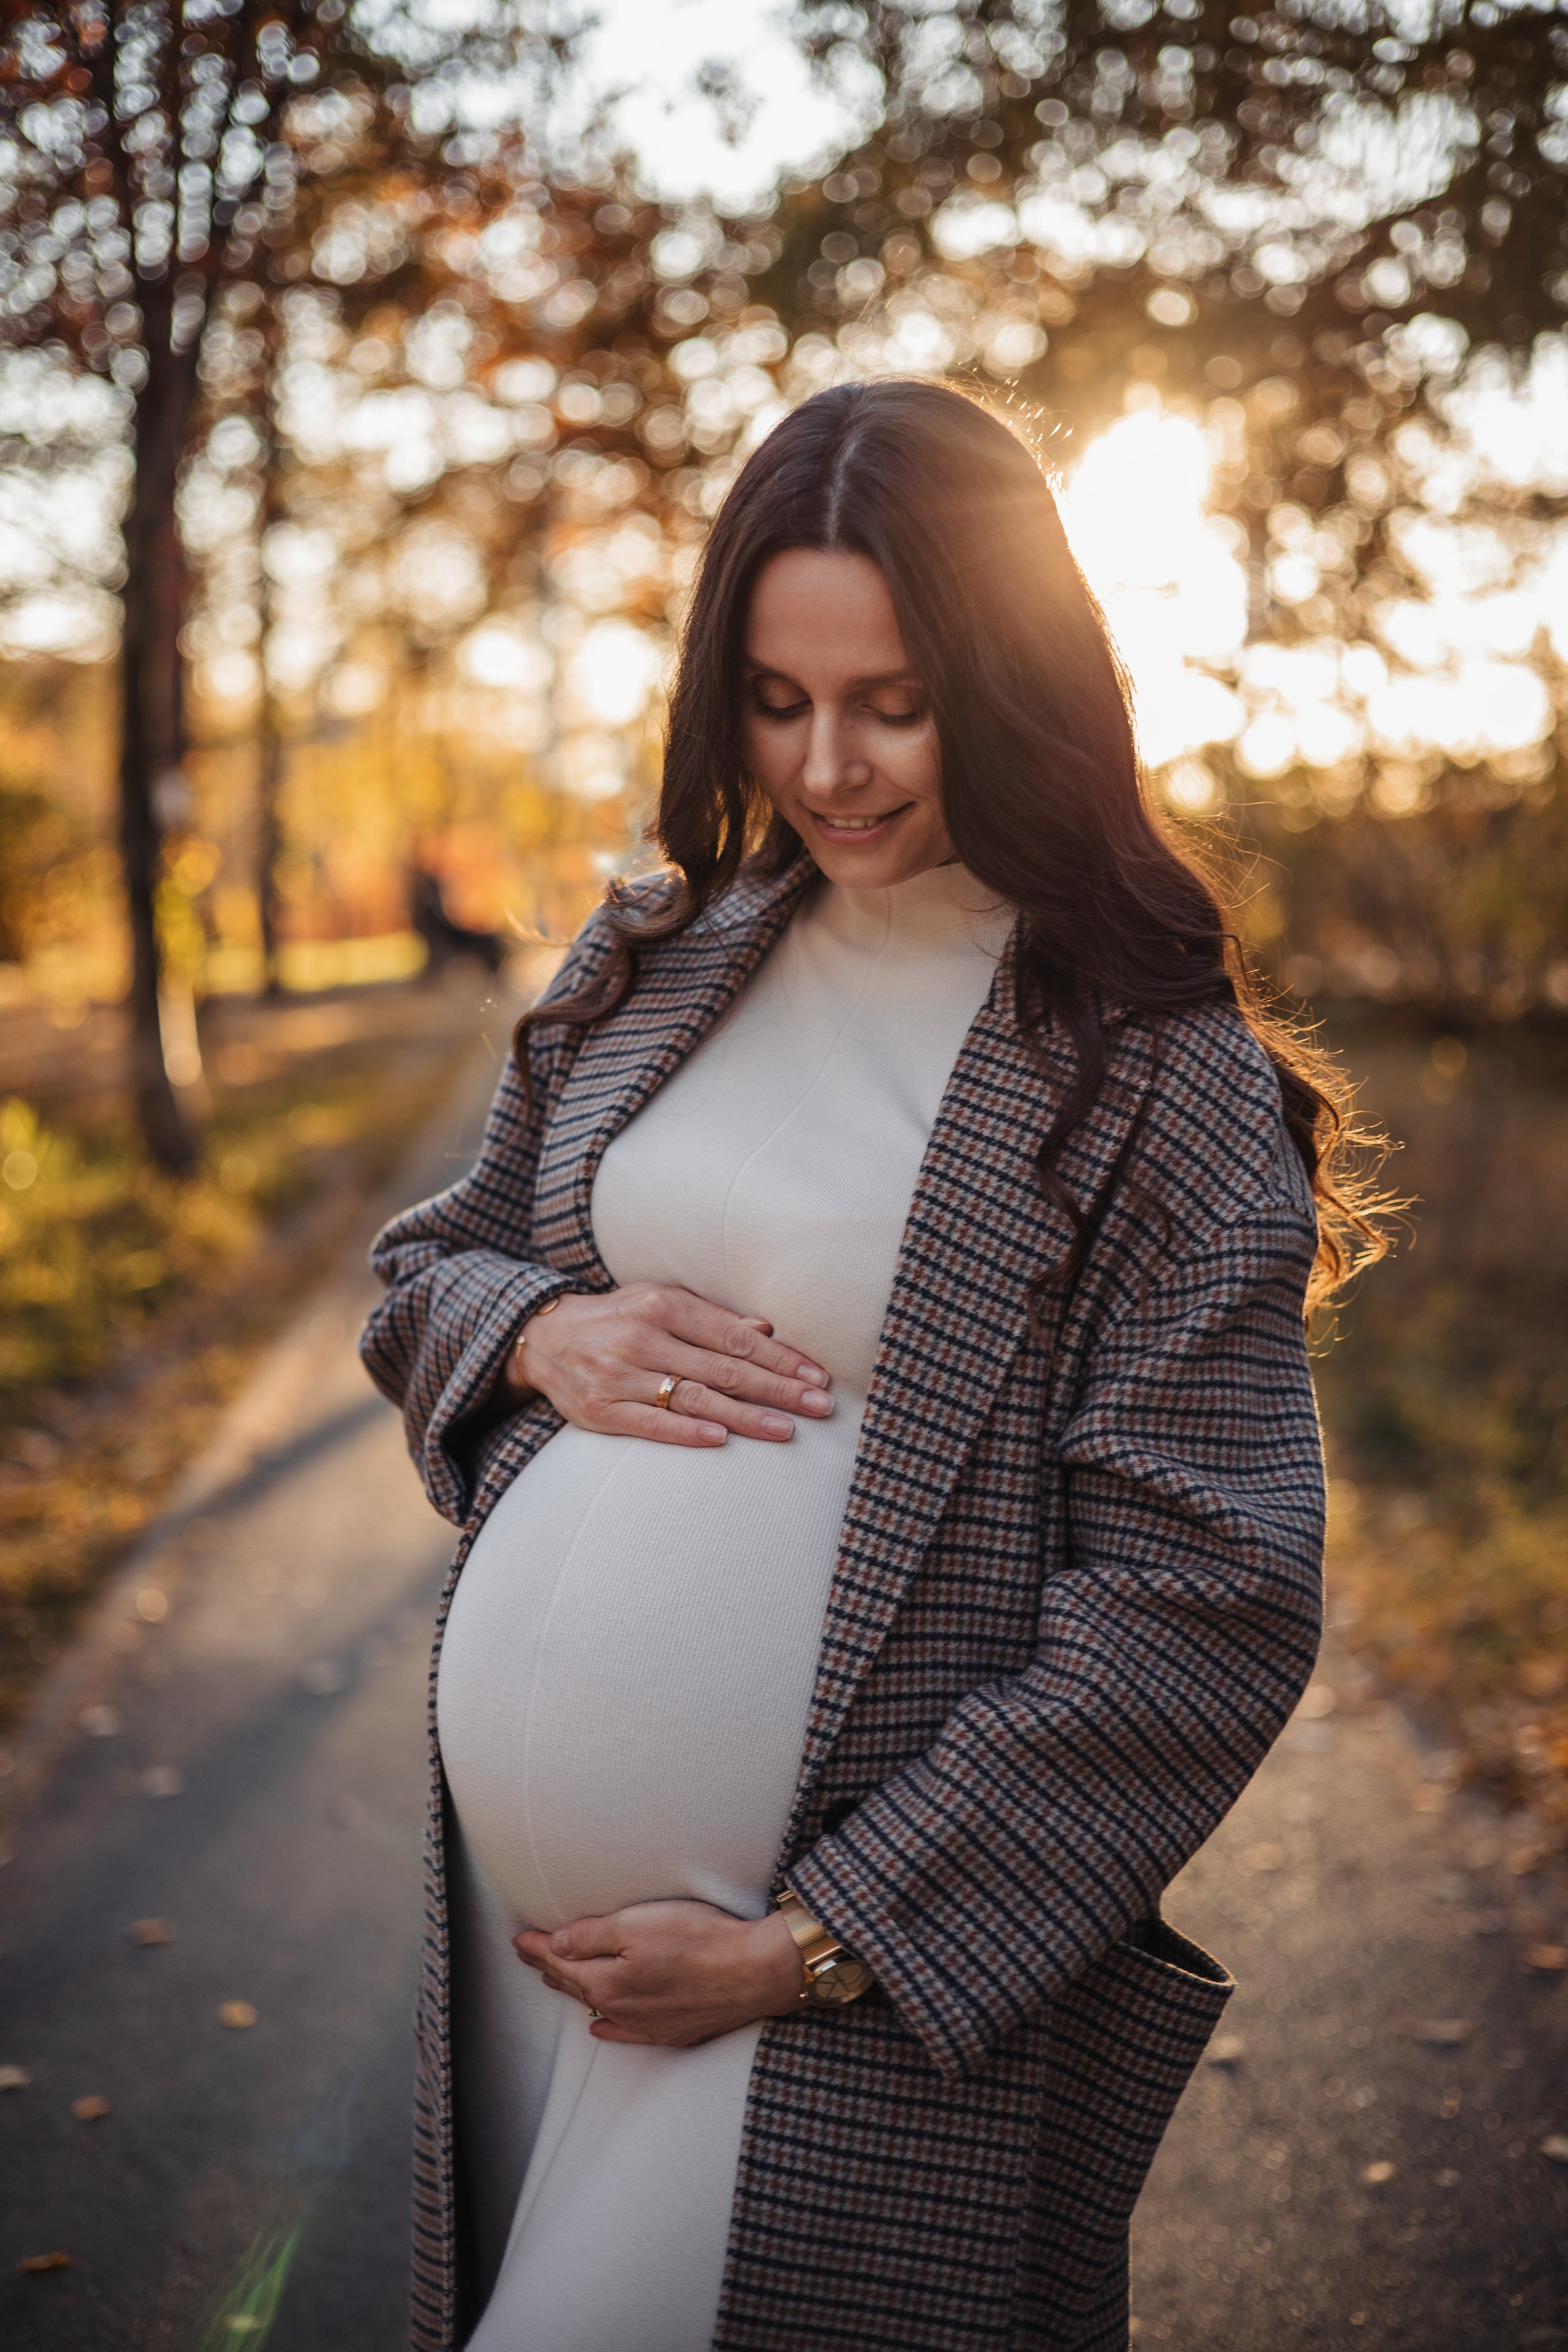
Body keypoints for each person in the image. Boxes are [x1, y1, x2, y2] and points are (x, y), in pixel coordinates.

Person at [360, 379, 1382, 2352]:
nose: (828, 764)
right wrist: (546, 1328)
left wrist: (814, 1948)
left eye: (893, 701)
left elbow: (1213, 1595)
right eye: (774, 696)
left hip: (838, 2000)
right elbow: (429, 1272)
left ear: (1009, 682)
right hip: (523, 1944)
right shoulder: (657, 956)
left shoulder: (1136, 1060)